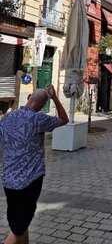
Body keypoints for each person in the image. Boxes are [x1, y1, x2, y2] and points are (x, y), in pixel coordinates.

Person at [0, 85, 69, 244]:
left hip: (9, 181)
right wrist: (55, 98)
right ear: (43, 105)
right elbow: (64, 119)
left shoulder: (8, 117)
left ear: (29, 97)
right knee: (18, 229)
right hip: (29, 181)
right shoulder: (38, 119)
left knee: (20, 225)